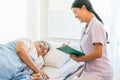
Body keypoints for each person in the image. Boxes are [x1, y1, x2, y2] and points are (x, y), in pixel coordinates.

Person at [69, 0, 113, 80]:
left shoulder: (96, 25)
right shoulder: (84, 29)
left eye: (75, 12)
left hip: (100, 72)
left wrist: (79, 59)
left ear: (83, 8)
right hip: (89, 71)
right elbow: (87, 52)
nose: (75, 16)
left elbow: (98, 53)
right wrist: (71, 51)